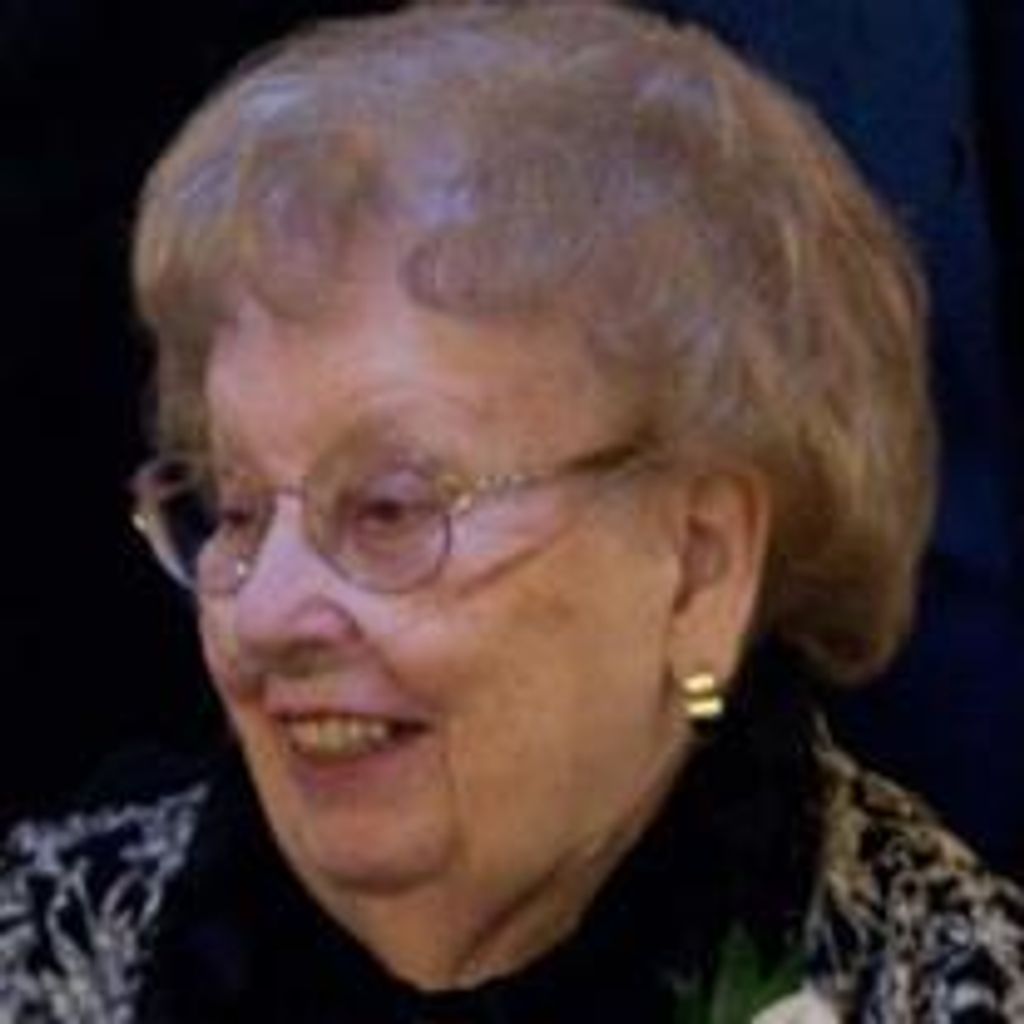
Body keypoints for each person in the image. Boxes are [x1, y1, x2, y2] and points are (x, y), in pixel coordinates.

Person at [1, 2, 1021, 1020]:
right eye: (236, 513)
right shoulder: (54, 948)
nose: (262, 616)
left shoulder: (940, 988)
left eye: (388, 510)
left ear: (698, 567)